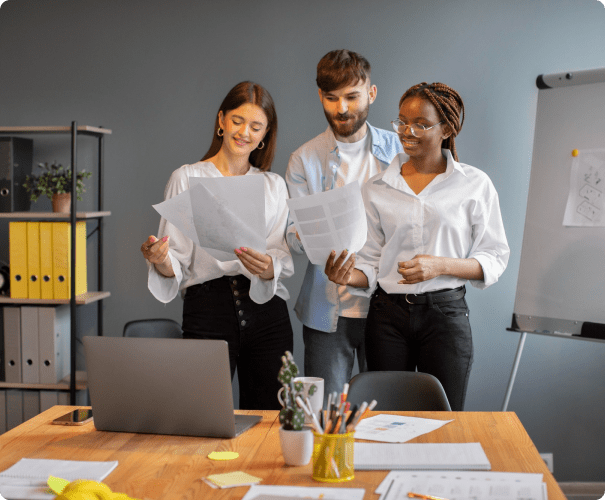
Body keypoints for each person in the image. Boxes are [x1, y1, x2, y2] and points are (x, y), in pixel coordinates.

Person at [325, 82, 510, 411]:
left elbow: (494, 258)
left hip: (446, 317)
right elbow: (369, 263)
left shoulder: (474, 184)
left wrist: (441, 266)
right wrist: (345, 276)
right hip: (387, 317)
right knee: (382, 419)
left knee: (444, 421)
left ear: (448, 128)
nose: (407, 131)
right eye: (401, 122)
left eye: (420, 124)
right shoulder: (376, 187)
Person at [141, 81, 294, 410]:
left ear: (265, 135)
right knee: (202, 414)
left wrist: (270, 267)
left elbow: (279, 255)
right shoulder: (186, 178)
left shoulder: (273, 185)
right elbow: (176, 263)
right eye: (238, 121)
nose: (244, 132)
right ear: (221, 120)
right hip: (208, 310)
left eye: (256, 126)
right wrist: (160, 259)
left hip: (267, 314)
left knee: (270, 420)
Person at [285, 49, 402, 403]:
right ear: (320, 95)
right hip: (325, 309)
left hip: (390, 307)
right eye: (332, 98)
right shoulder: (304, 158)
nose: (342, 109)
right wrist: (313, 238)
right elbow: (291, 231)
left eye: (352, 96)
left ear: (372, 93)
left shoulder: (400, 151)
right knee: (325, 417)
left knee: (385, 416)